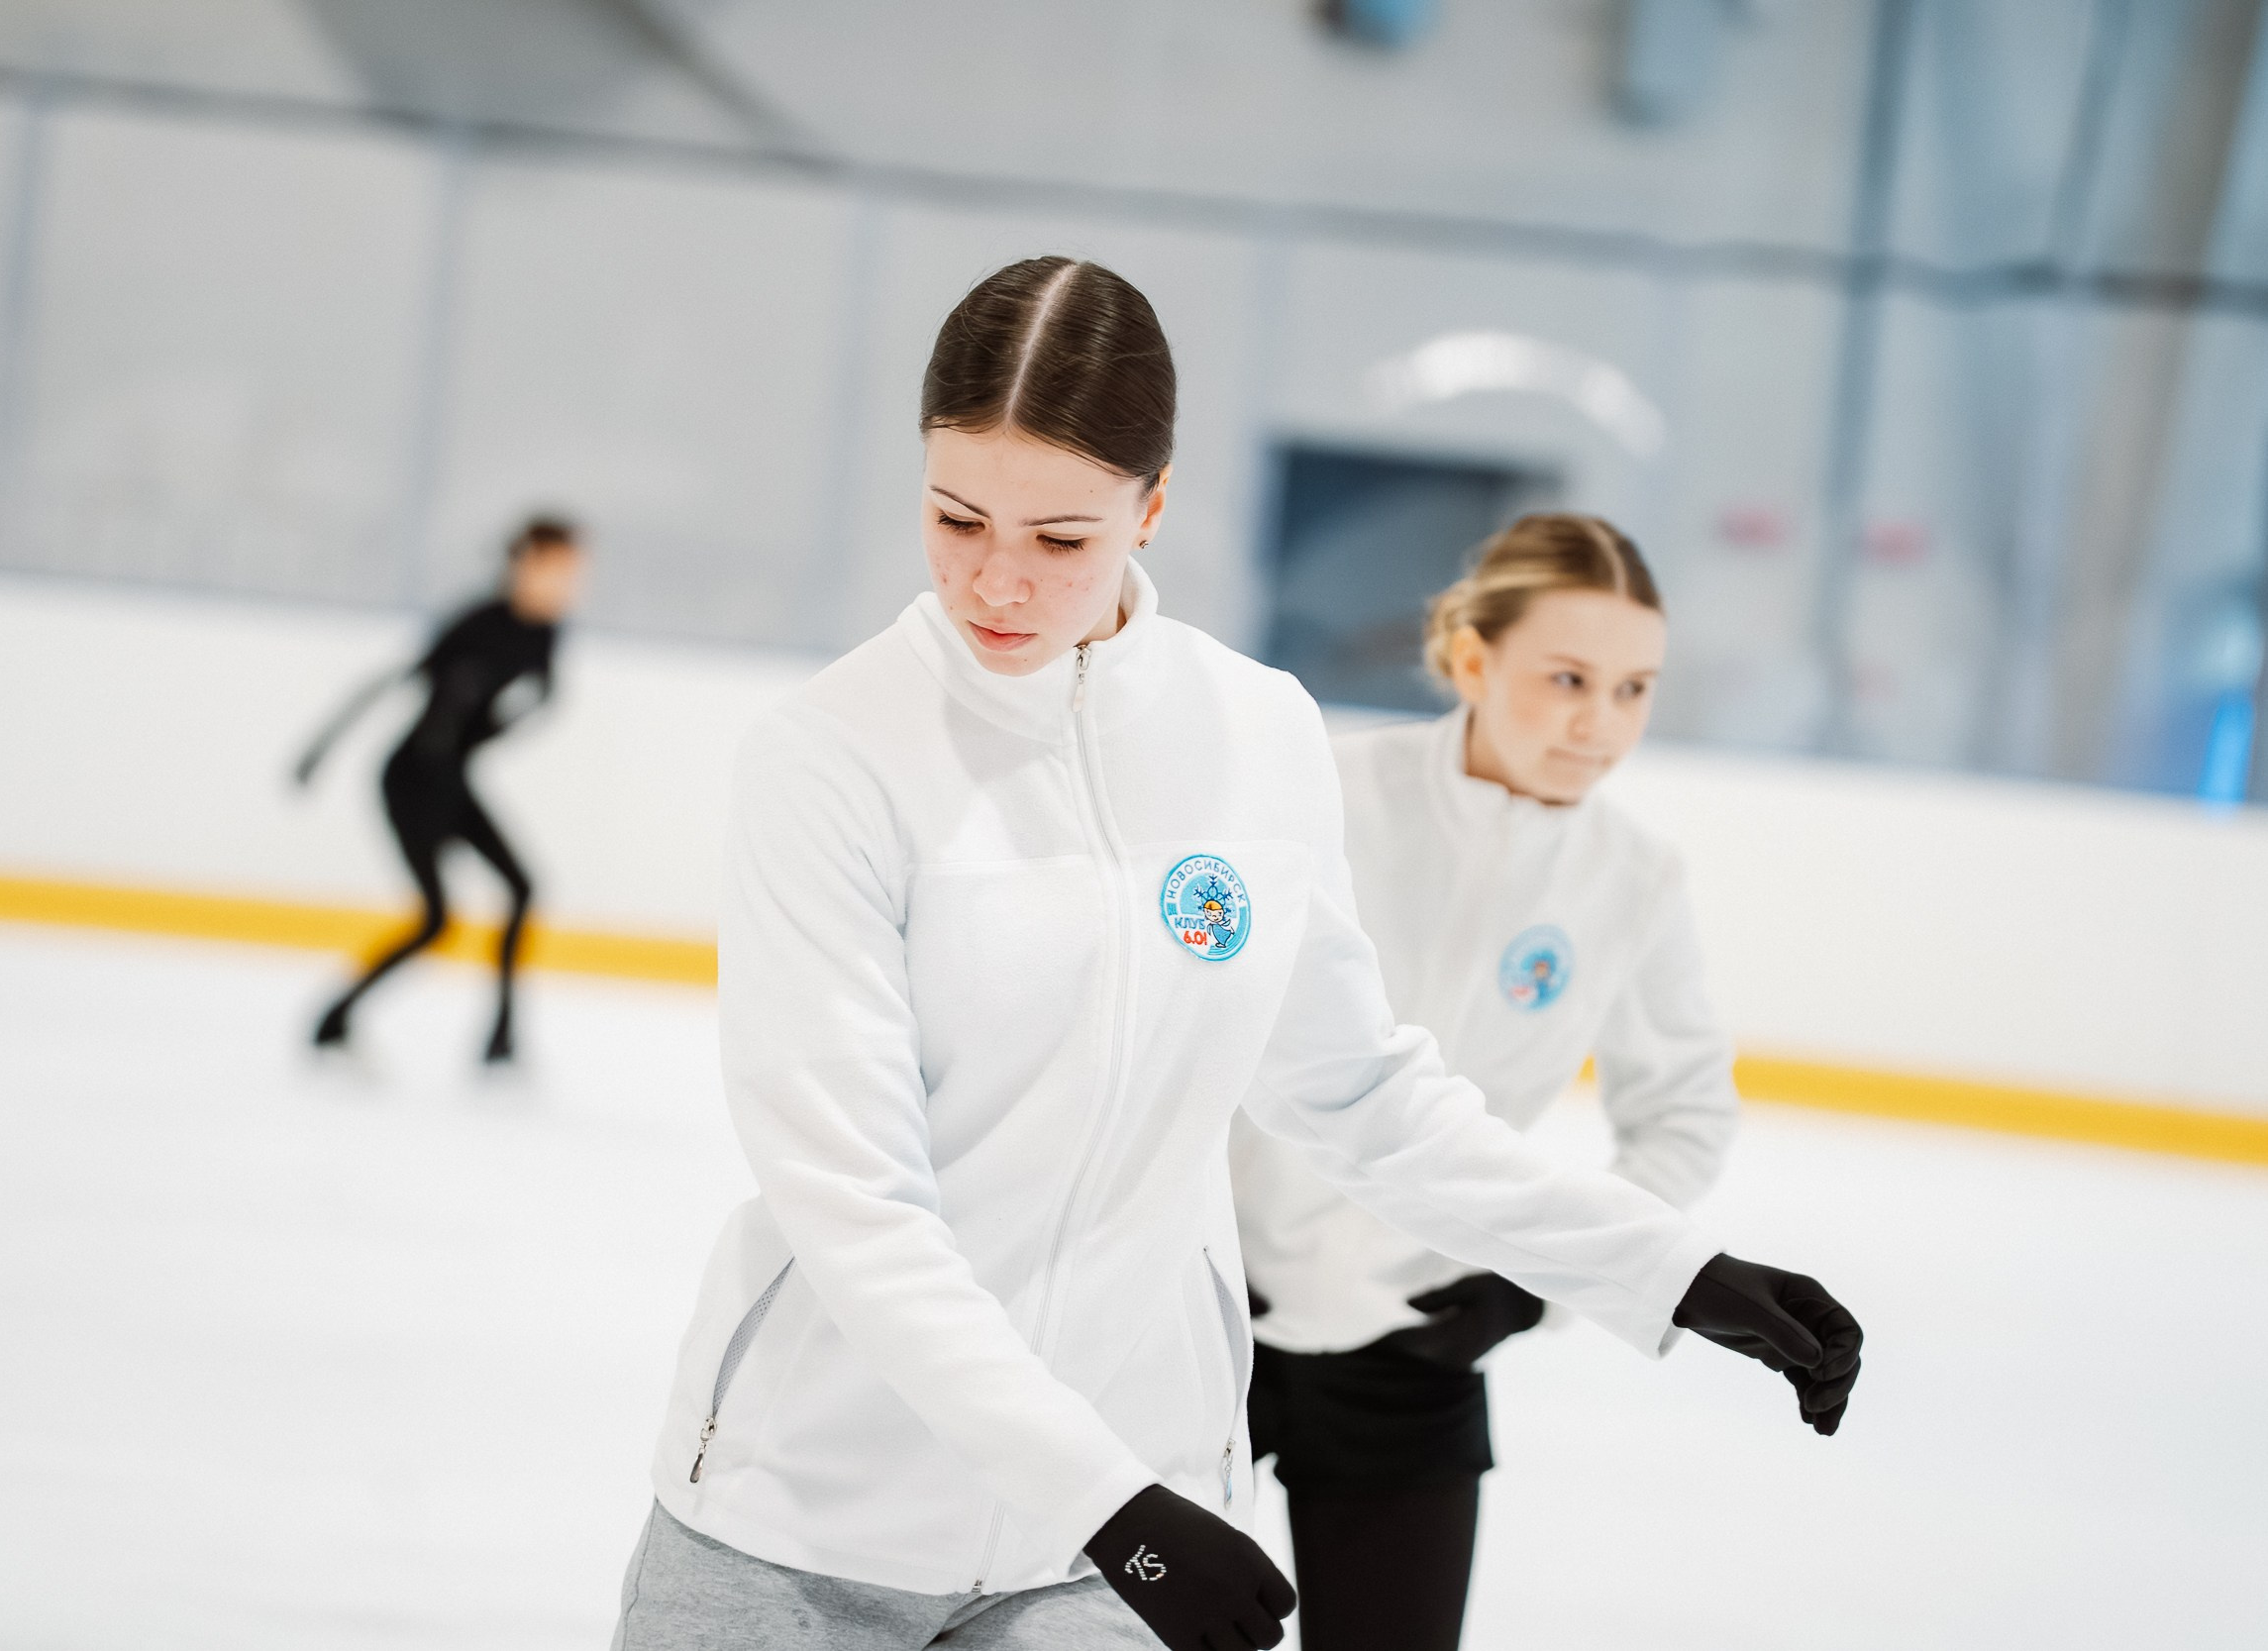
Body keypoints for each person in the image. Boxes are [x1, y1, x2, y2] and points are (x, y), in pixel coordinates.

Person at [614, 258, 1860, 1651]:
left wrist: (1662, 1266)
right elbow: (855, 1197)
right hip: (810, 1517)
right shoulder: (831, 755)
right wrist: (1111, 1502)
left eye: (1062, 536)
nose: (997, 579)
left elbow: (1360, 1093)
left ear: (1151, 507)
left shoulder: (1256, 733)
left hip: (1110, 1527)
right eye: (956, 515)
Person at [1231, 512, 1743, 1650]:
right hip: (1204, 1330)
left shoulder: (1636, 878)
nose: (1598, 722)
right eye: (1566, 677)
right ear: (1472, 659)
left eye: (1632, 688)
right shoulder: (1326, 792)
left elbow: (1686, 1114)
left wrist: (1533, 1283)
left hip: (1415, 1346)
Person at [294, 515, 585, 1065]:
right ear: (523, 565)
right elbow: (391, 681)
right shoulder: (476, 624)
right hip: (410, 780)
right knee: (437, 919)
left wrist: (512, 718)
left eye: (575, 573)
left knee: (522, 890)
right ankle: (334, 1019)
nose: (570, 584)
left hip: (454, 780)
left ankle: (500, 1038)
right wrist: (318, 752)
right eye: (559, 570)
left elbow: (536, 698)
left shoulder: (547, 632)